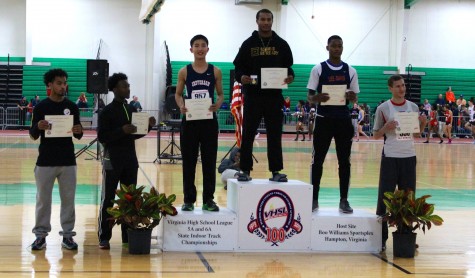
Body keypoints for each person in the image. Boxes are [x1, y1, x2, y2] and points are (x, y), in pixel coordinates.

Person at [233, 8, 294, 182]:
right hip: (253, 95)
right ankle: (245, 169)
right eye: (263, 19)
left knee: (275, 134)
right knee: (249, 134)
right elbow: (238, 68)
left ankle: (276, 171)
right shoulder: (248, 44)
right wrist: (241, 77)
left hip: (274, 97)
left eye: (269, 19)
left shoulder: (281, 44)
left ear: (272, 21)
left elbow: (288, 68)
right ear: (257, 21)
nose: (266, 22)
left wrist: (291, 77)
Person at [97, 72, 156, 249]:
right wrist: (122, 130)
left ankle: (127, 236)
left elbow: (135, 135)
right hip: (112, 160)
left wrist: (149, 127)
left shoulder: (132, 109)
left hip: (130, 160)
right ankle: (104, 237)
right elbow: (102, 137)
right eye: (124, 85)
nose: (128, 88)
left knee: (130, 199)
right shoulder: (107, 111)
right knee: (108, 198)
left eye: (128, 85)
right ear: (114, 89)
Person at [29, 68, 83, 250]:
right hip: (45, 161)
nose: (63, 86)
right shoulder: (41, 107)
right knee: (43, 200)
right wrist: (38, 125)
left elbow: (79, 134)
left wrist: (78, 130)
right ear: (49, 85)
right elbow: (33, 135)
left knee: (68, 200)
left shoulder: (73, 107)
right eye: (59, 83)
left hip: (68, 160)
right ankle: (40, 236)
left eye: (64, 82)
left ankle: (68, 236)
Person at [306, 35, 359, 213]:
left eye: (340, 46)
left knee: (345, 162)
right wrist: (316, 98)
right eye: (334, 46)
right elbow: (309, 96)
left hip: (343, 120)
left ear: (342, 48)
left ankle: (344, 200)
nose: (337, 48)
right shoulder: (318, 69)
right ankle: (313, 199)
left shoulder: (350, 70)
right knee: (317, 161)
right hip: (323, 119)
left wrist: (352, 97)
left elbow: (354, 98)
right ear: (327, 47)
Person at [373, 75, 425, 251]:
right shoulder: (383, 108)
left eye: (403, 85)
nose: (401, 89)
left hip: (409, 157)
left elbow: (416, 135)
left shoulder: (413, 107)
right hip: (390, 157)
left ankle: (406, 235)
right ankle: (380, 238)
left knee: (408, 199)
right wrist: (386, 128)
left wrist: (423, 126)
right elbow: (375, 135)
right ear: (390, 88)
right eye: (397, 86)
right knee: (385, 197)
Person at [175, 34, 224, 212]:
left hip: (209, 121)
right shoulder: (184, 71)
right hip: (190, 121)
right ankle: (188, 199)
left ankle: (208, 199)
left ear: (208, 49)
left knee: (209, 161)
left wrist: (217, 105)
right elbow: (178, 94)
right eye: (197, 45)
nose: (200, 48)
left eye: (203, 45)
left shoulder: (216, 71)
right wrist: (181, 105)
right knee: (188, 161)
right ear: (191, 49)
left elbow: (220, 95)